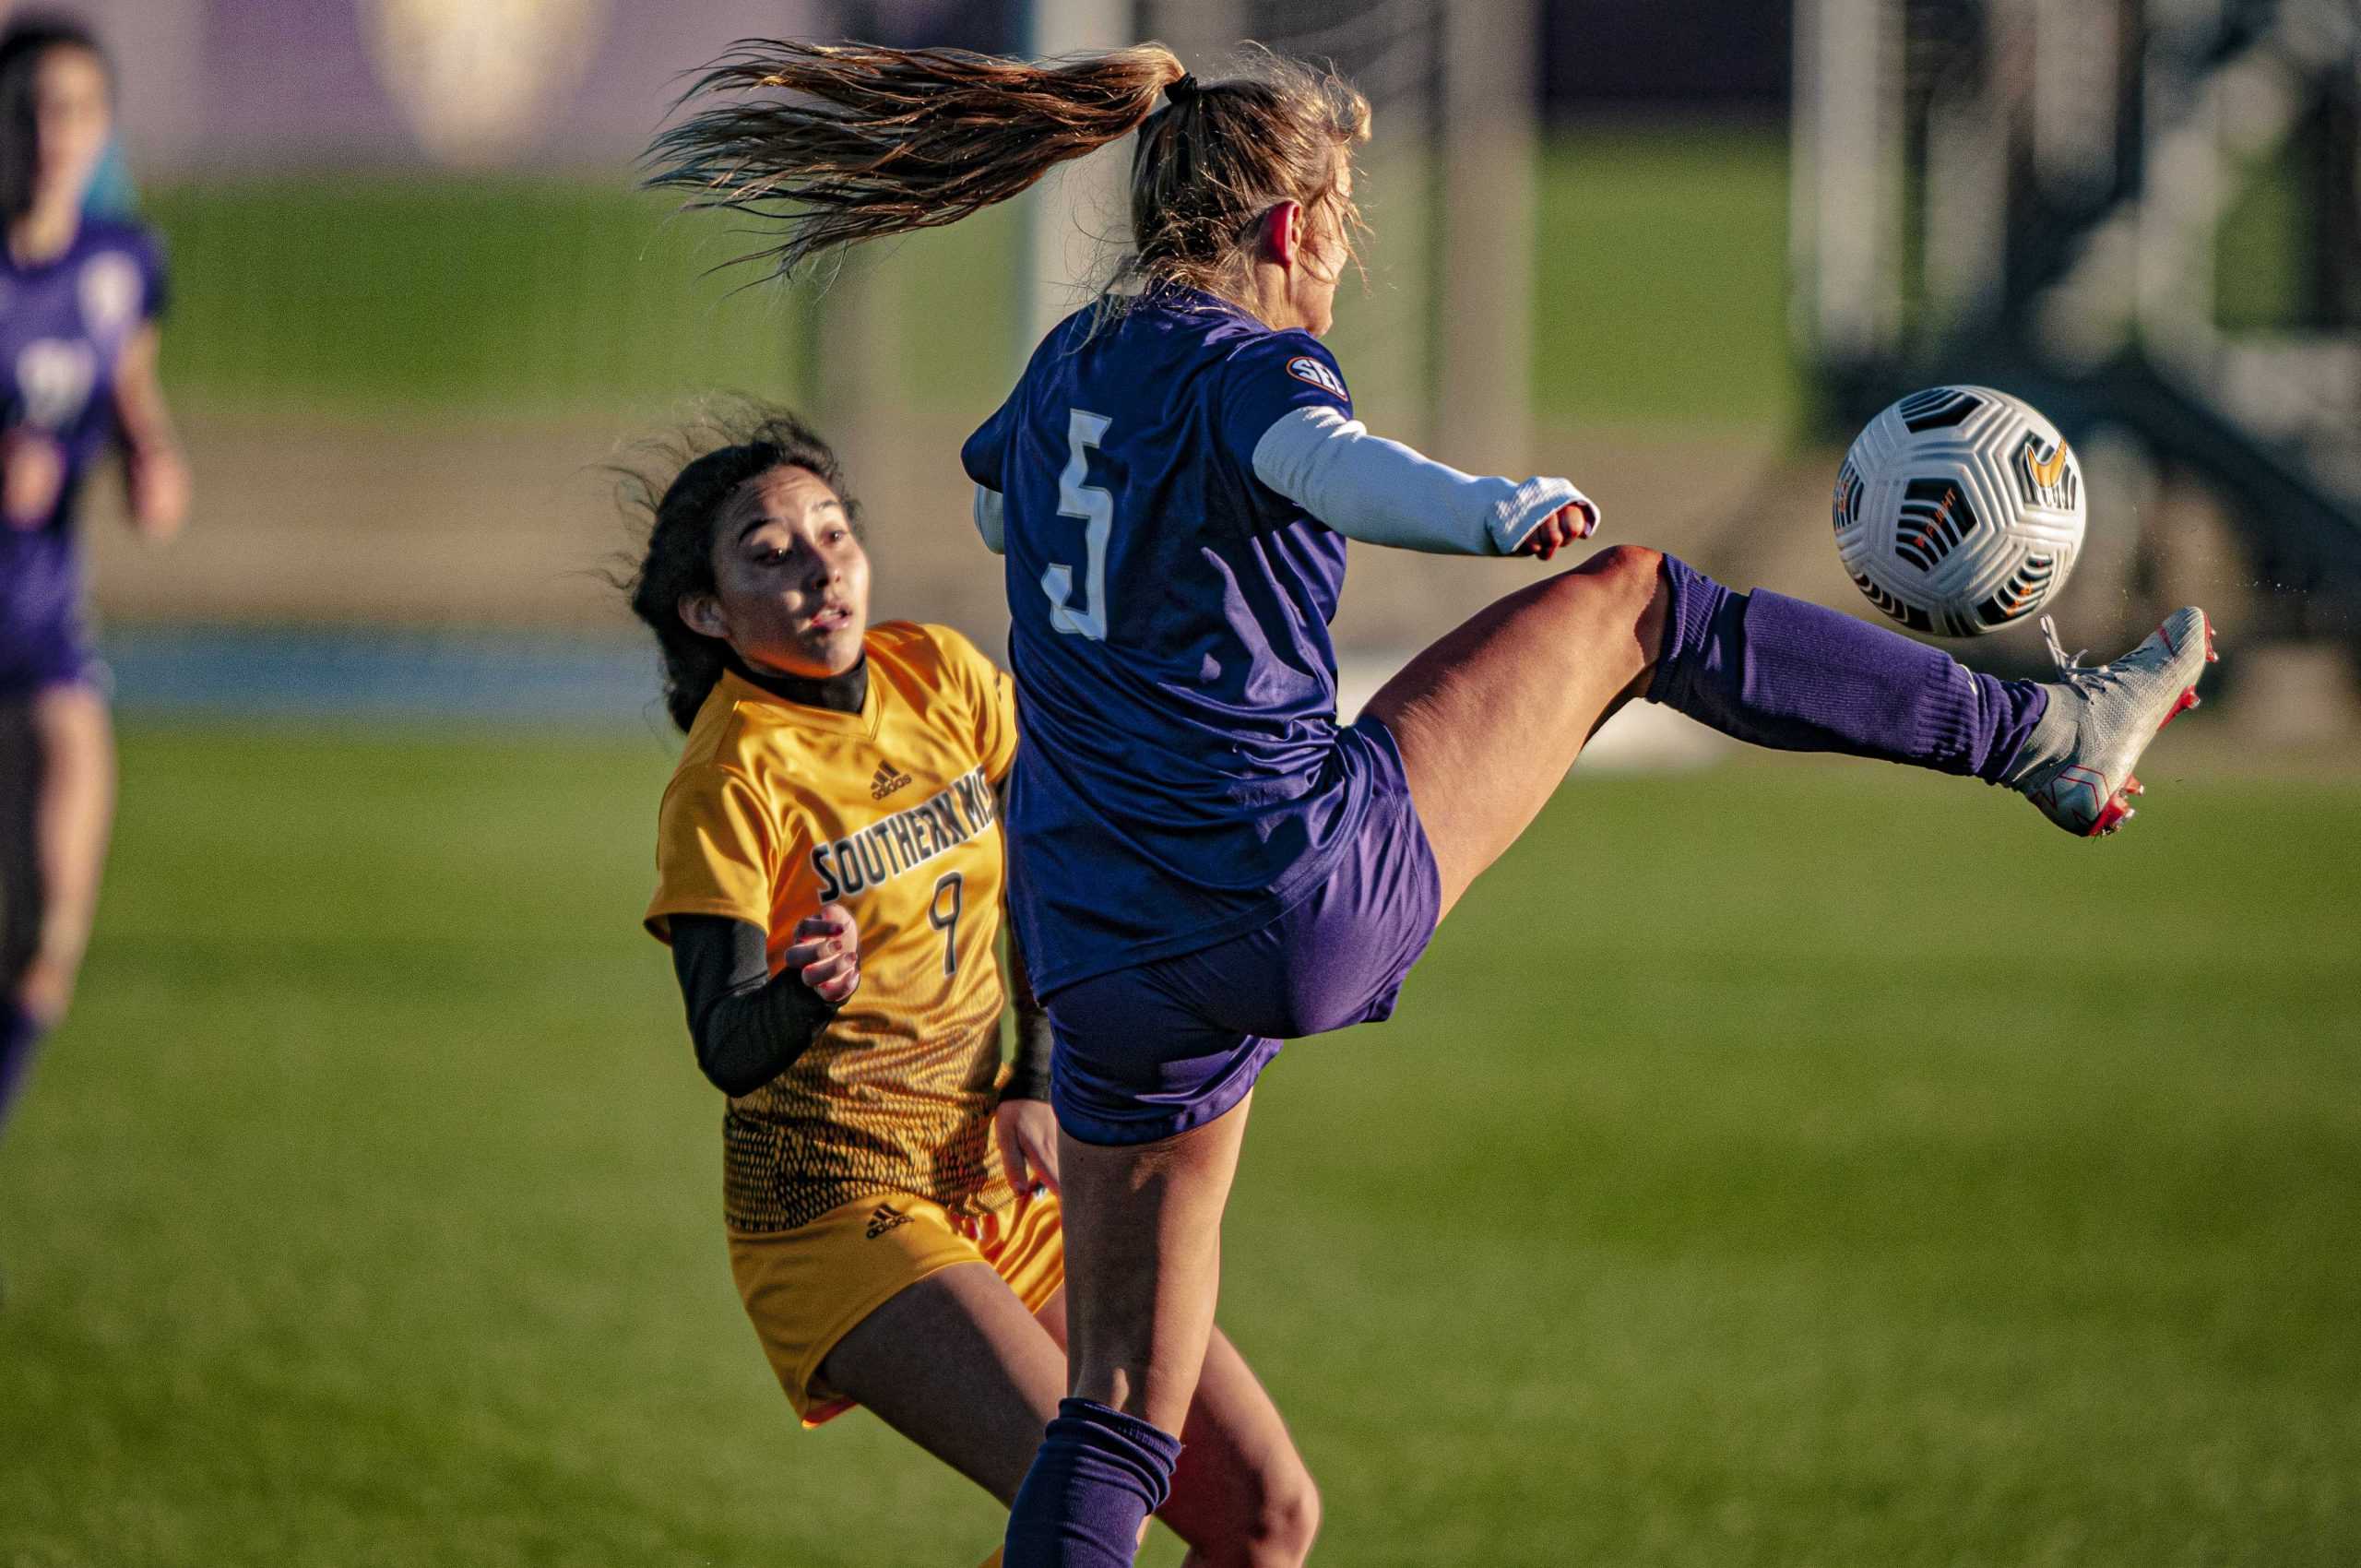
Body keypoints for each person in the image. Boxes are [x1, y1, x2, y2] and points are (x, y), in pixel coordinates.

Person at [647, 45, 2215, 1566]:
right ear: (1291, 228)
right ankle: (2040, 735)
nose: (1345, 268)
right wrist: (1491, 509)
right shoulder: (1252, 362)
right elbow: (1327, 463)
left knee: (1119, 1412)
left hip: (1107, 964)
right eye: (1342, 232)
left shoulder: (1067, 367)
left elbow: (1003, 490)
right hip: (1287, 894)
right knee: (1644, 605)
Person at [624, 407, 1319, 1568]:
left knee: (1262, 1514)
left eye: (830, 534)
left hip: (994, 1169)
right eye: (767, 553)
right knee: (1088, 1496)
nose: (816, 569)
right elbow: (726, 1041)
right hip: (837, 1201)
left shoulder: (937, 671)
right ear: (706, 612)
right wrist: (804, 988)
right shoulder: (731, 772)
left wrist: (1034, 1077)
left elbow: (1061, 871)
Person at [0, 13, 187, 1137]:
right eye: (24, 112)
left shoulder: (123, 262)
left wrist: (150, 458)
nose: (47, 133)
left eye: (69, 110)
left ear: (102, 129)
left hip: (42, 634)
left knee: (44, 946)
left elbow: (129, 394)